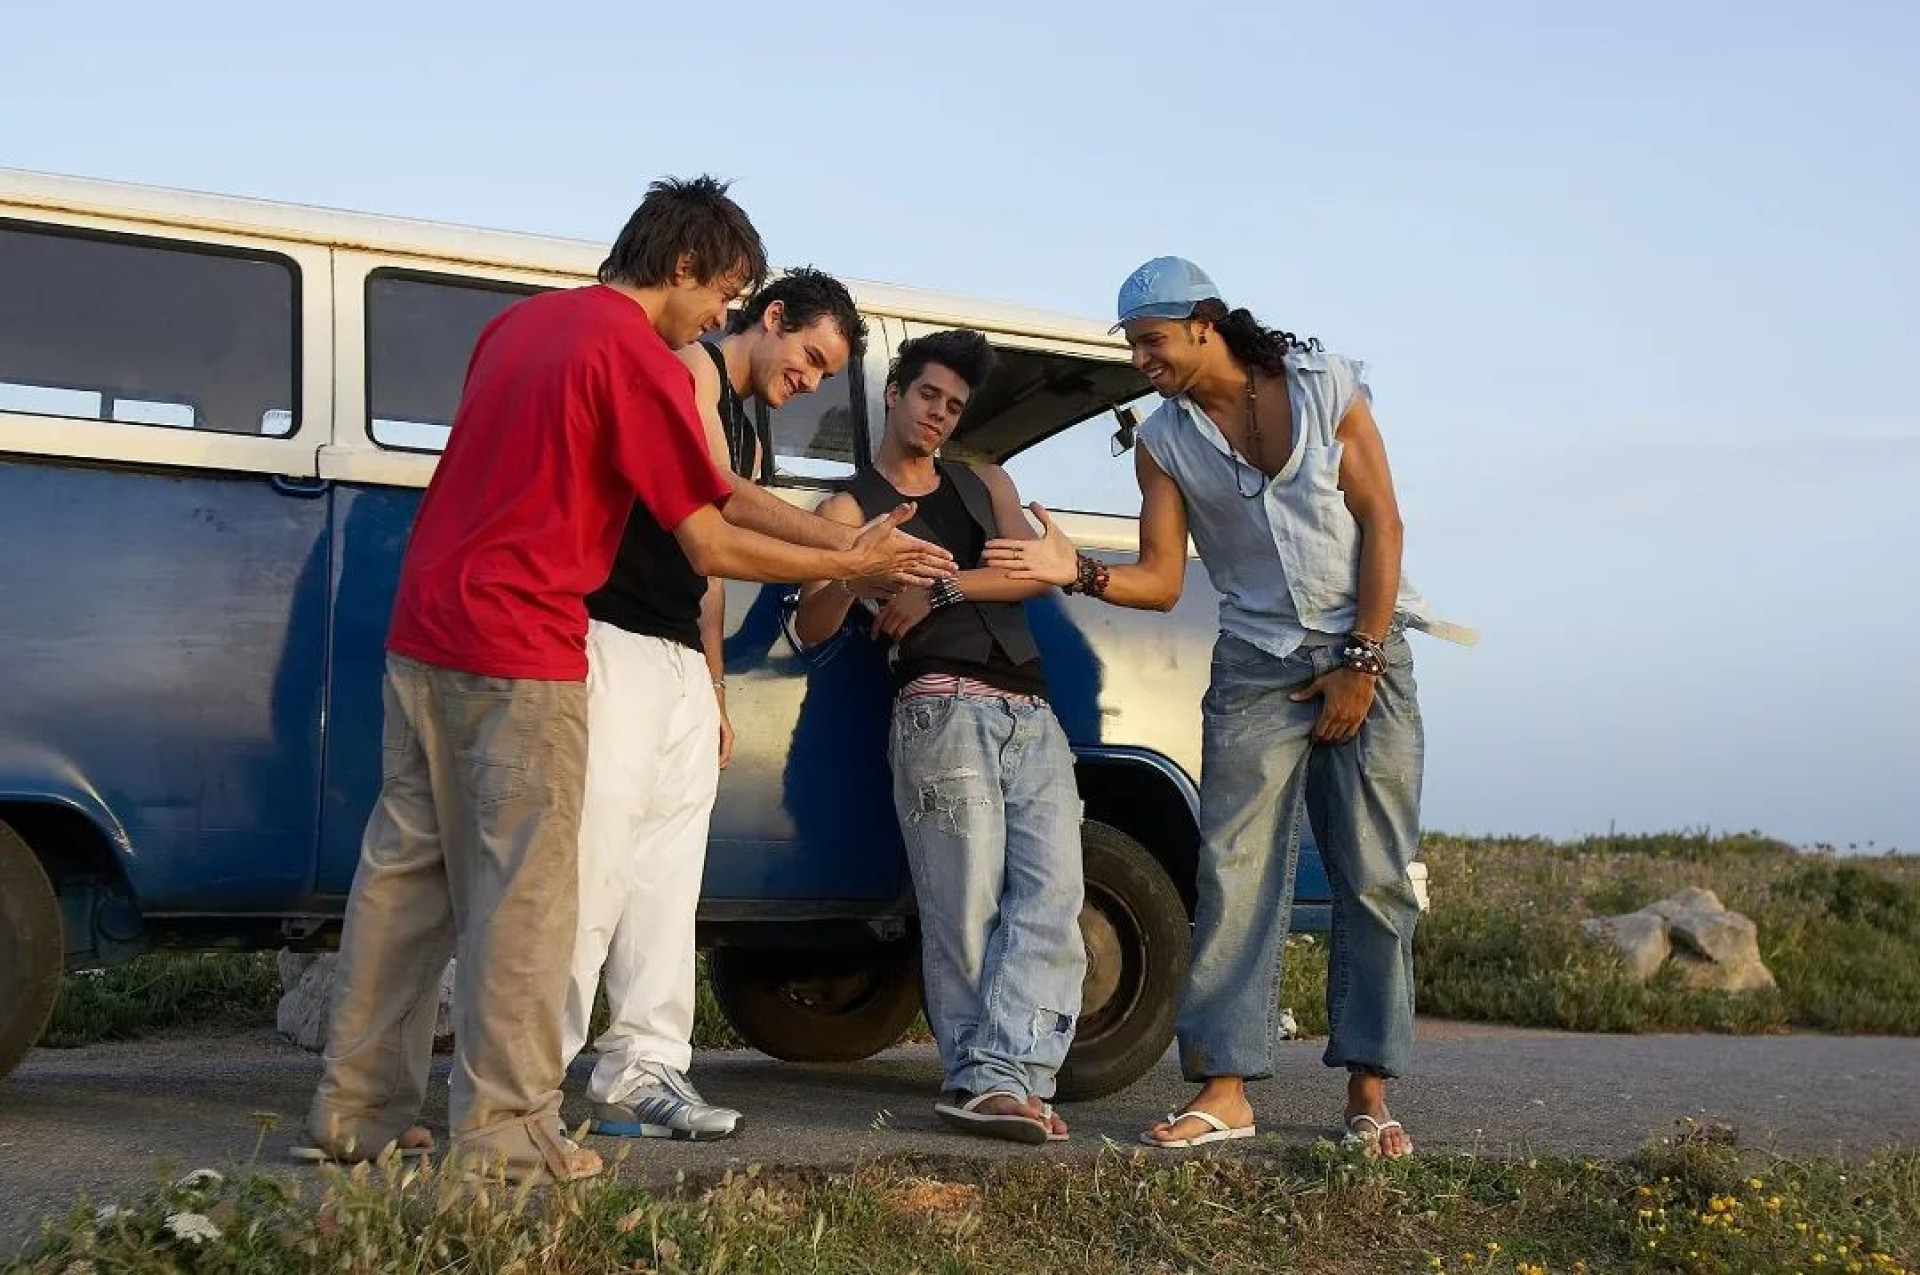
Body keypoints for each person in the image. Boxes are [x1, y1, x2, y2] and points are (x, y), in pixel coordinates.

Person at [300, 177, 948, 1184]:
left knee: (405, 883)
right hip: (523, 646)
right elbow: (706, 536)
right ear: (684, 266)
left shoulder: (519, 329)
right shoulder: (638, 358)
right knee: (529, 900)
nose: (718, 317)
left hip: (423, 635)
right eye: (721, 293)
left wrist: (829, 537)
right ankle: (506, 1138)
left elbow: (712, 490)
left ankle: (356, 1112)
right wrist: (850, 564)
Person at [986, 256, 1468, 1159]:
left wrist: (1361, 658)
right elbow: (1163, 579)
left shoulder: (1325, 388)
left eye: (1153, 340)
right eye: (1132, 344)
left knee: (1372, 872)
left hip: (1366, 644)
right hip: (1256, 664)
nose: (1142, 360)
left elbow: (1385, 524)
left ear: (1205, 323)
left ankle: (1369, 1091)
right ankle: (1226, 1088)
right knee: (1235, 872)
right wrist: (1076, 572)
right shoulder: (1165, 443)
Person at [564, 269, 872, 1141]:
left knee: (667, 878)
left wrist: (713, 685)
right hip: (611, 637)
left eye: (825, 371)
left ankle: (644, 1068)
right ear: (771, 318)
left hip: (674, 659)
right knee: (591, 863)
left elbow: (707, 573)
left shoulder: (755, 428)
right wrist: (848, 550)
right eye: (809, 356)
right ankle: (526, 1077)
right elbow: (717, 505)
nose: (810, 379)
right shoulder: (692, 370)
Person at [795, 329, 1086, 1145]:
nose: (939, 415)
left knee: (1055, 893)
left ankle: (1012, 1075)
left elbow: (1029, 571)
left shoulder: (985, 480)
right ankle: (979, 1080)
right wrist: (861, 573)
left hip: (1031, 710)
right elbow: (815, 620)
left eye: (955, 406)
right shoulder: (850, 506)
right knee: (965, 902)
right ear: (895, 393)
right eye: (929, 396)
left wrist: (938, 589)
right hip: (939, 705)